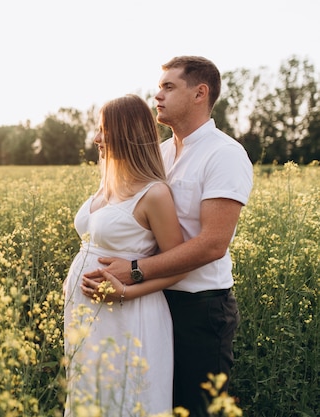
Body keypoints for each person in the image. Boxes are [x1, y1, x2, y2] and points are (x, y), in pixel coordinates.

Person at [82, 56, 254, 416]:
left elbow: (212, 244)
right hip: (151, 304)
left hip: (200, 307)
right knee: (150, 404)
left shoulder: (224, 155)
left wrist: (135, 270)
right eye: (159, 87)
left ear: (199, 93)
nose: (157, 96)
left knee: (198, 408)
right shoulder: (158, 154)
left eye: (168, 87)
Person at [63, 94, 187, 416]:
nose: (96, 138)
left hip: (128, 315)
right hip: (88, 316)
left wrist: (127, 291)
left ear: (126, 133)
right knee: (91, 396)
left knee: (126, 398)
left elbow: (179, 265)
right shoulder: (107, 185)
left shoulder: (154, 193)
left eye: (104, 129)